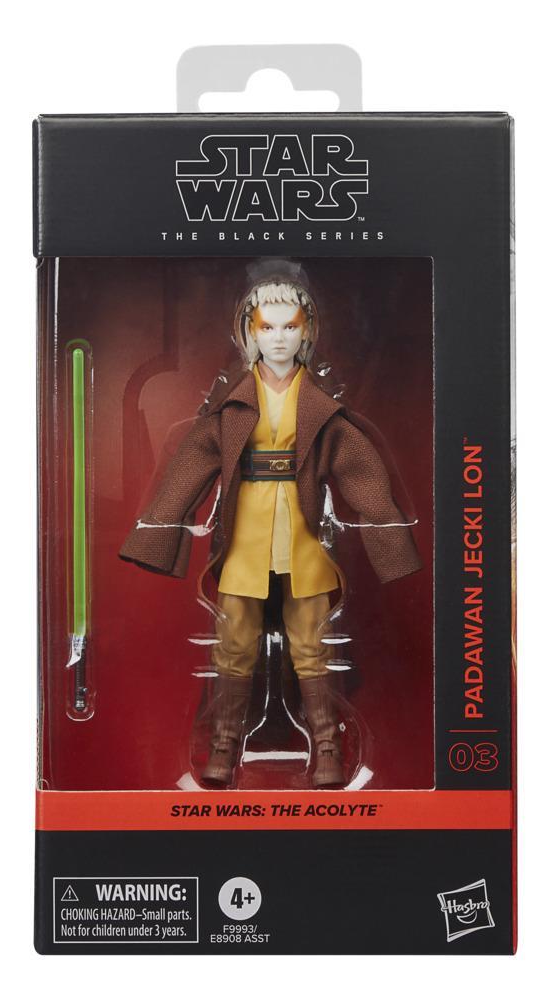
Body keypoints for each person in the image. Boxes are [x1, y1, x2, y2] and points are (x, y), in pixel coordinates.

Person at [120, 271, 420, 787]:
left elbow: (361, 471)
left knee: (312, 642)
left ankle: (327, 747)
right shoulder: (233, 404)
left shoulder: (320, 407)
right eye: (267, 327)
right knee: (234, 639)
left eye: (290, 326)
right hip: (247, 534)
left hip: (303, 536)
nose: (279, 338)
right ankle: (224, 745)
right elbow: (191, 465)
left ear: (307, 332)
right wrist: (160, 528)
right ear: (249, 332)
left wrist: (390, 539)